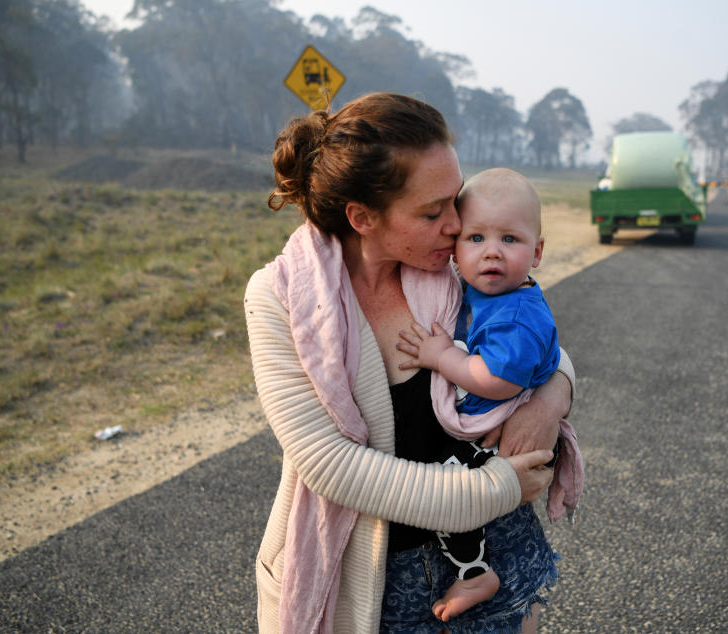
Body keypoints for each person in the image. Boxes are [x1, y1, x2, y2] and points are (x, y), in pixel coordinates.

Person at [245, 92, 583, 634]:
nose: (457, 226)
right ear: (362, 218)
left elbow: (536, 343)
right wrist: (494, 488)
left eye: (456, 200)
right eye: (433, 212)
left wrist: (550, 397)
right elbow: (329, 465)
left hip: (495, 552)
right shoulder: (281, 298)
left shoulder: (450, 267)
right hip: (374, 577)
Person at [396, 168, 561, 623]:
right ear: (455, 249)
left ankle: (475, 573)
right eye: (475, 239)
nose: (491, 251)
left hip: (492, 429)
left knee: (450, 492)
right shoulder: (486, 292)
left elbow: (495, 380)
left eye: (510, 239)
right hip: (488, 422)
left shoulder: (518, 315)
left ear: (538, 251)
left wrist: (442, 357)